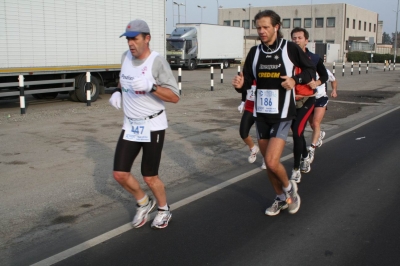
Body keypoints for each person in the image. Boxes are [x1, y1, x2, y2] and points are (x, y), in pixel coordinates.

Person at [232, 10, 316, 216]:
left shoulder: (290, 48)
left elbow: (310, 71)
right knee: (269, 165)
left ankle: (289, 190)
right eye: (258, 27)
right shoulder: (254, 52)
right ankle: (280, 198)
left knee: (270, 160)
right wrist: (240, 86)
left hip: (283, 114)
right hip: (261, 114)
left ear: (276, 27)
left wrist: (295, 81)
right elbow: (247, 84)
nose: (261, 31)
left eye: (265, 27)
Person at [108, 19, 180, 229]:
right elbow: (124, 79)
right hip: (131, 125)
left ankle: (164, 209)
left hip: (153, 125)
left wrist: (152, 87)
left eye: (135, 39)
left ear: (147, 39)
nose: (131, 44)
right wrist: (117, 91)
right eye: (128, 39)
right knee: (119, 174)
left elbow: (175, 97)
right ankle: (143, 202)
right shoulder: (125, 57)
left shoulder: (157, 62)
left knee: (149, 176)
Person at [290, 27, 328, 183]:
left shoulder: (313, 58)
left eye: (299, 37)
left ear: (306, 40)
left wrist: (317, 82)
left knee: (298, 132)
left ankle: (296, 169)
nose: (297, 40)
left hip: (308, 99)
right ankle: (305, 155)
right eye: (294, 38)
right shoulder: (287, 57)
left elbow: (324, 75)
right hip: (291, 100)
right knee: (296, 131)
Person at [307, 68, 338, 161]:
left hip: (321, 99)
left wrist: (334, 90)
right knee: (312, 124)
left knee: (316, 123)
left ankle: (312, 147)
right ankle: (319, 134)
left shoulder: (324, 71)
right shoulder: (306, 70)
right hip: (309, 99)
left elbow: (334, 80)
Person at [237, 80, 266, 169]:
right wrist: (242, 102)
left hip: (262, 108)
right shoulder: (249, 73)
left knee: (262, 137)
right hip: (250, 107)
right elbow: (244, 88)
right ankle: (253, 148)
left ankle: (266, 158)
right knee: (243, 132)